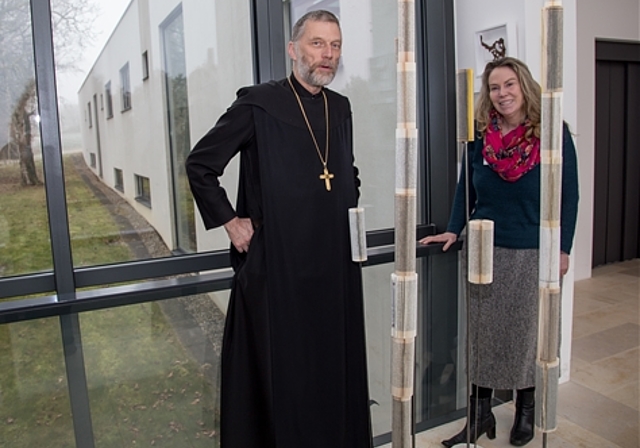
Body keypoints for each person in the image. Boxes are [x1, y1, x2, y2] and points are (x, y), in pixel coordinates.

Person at [185, 10, 372, 448]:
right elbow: (200, 165)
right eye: (317, 43)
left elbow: (345, 172)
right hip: (280, 271)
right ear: (293, 50)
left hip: (333, 269)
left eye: (335, 45)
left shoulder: (340, 107)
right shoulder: (258, 105)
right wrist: (231, 222)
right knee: (286, 377)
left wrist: (345, 202)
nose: (327, 55)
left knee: (331, 371)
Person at [420, 57, 578, 447]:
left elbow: (569, 196)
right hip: (483, 250)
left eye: (509, 85)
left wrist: (563, 249)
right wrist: (454, 230)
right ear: (486, 94)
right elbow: (465, 190)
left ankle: (526, 413)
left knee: (526, 337)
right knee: (481, 338)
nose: (502, 93)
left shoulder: (553, 133)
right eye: (494, 87)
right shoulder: (477, 137)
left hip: (530, 251)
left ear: (524, 86)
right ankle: (479, 415)